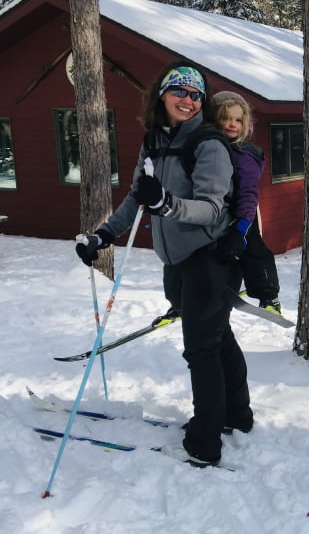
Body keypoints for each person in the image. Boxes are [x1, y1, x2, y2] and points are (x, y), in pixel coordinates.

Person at [75, 61, 253, 467]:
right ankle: (237, 415)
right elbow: (139, 195)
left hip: (209, 260)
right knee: (217, 337)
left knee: (202, 350)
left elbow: (212, 209)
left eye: (196, 95)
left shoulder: (209, 144)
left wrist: (166, 204)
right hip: (176, 263)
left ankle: (205, 443)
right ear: (162, 95)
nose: (188, 100)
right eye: (180, 92)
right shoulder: (154, 140)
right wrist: (102, 236)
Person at [212, 91, 282, 315]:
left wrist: (242, 226)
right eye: (225, 118)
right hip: (214, 214)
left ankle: (268, 295)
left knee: (253, 250)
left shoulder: (244, 154)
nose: (232, 124)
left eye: (238, 120)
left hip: (241, 214)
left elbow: (248, 192)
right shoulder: (210, 148)